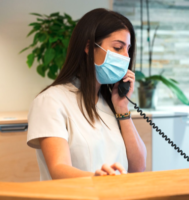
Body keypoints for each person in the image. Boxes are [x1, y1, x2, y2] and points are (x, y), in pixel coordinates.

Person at [27, 8, 146, 181]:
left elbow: (138, 167)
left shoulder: (110, 103)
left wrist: (122, 108)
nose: (125, 57)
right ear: (89, 47)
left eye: (128, 49)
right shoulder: (50, 101)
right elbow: (58, 169)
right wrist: (97, 179)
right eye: (118, 47)